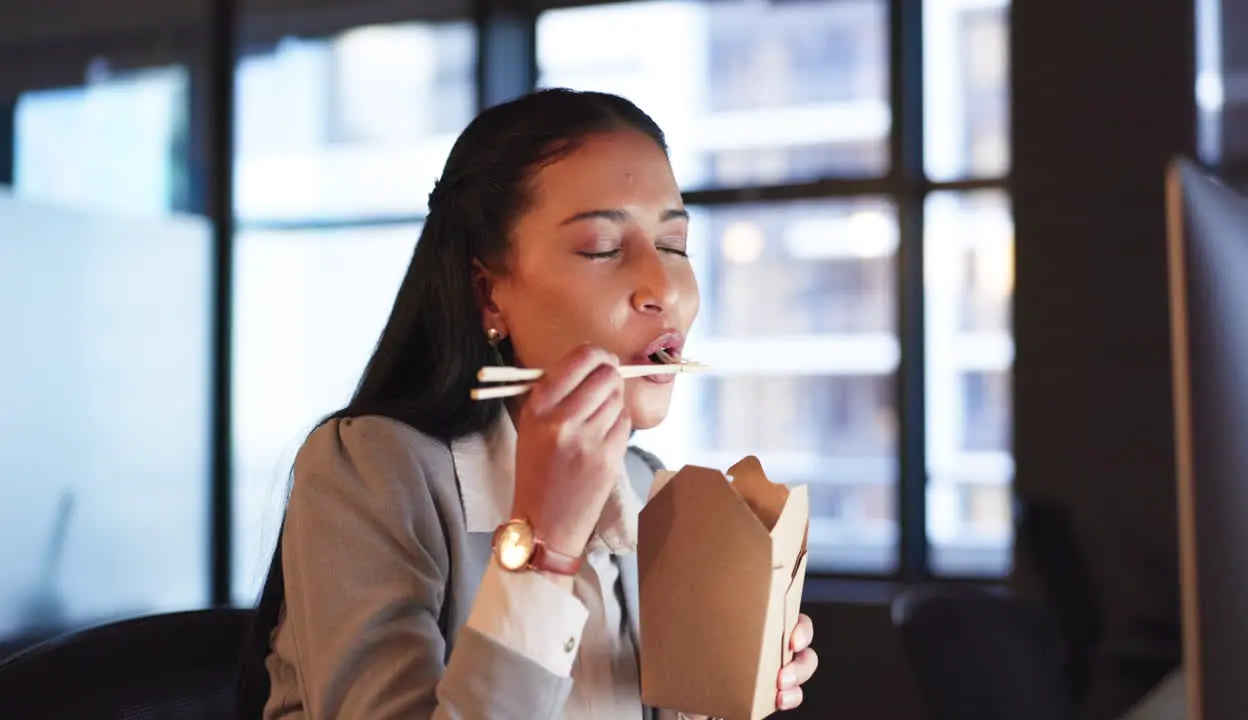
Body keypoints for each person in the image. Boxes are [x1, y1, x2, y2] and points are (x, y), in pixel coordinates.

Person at [236, 88, 820, 720]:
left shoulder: (646, 484)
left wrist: (724, 682)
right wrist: (546, 545)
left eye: (675, 246)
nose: (664, 289)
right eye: (602, 248)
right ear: (488, 294)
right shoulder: (370, 471)